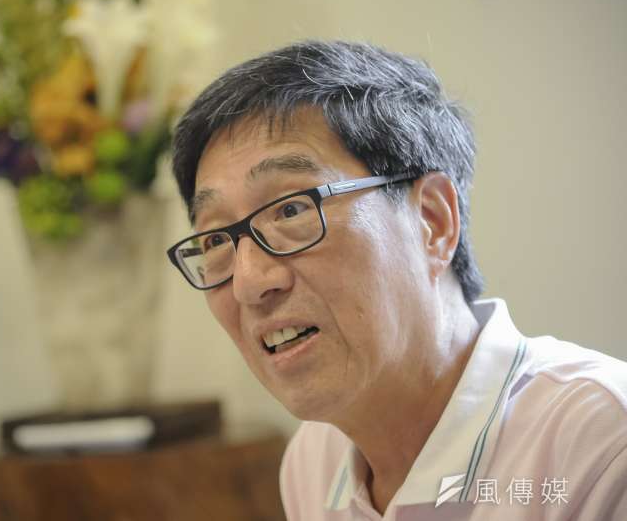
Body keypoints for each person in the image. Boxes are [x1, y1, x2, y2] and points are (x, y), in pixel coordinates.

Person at [164, 40, 627, 520]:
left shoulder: (599, 444)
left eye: (292, 210)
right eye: (215, 239)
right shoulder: (313, 461)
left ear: (432, 221)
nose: (249, 283)